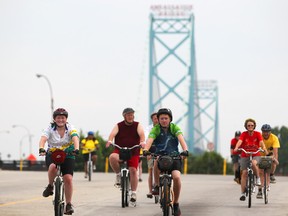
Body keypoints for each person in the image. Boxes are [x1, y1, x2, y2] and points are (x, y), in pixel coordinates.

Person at [143, 108, 189, 216]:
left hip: (174, 157)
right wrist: (146, 149)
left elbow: (181, 139)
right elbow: (150, 140)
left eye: (166, 118)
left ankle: (176, 203)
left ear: (170, 119)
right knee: (155, 163)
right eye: (161, 118)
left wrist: (185, 150)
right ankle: (157, 186)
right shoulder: (156, 129)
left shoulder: (174, 128)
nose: (164, 120)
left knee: (177, 177)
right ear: (158, 120)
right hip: (161, 155)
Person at [39, 108, 80, 215]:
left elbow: (75, 137)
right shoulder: (50, 128)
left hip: (68, 154)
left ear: (66, 119)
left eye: (63, 117)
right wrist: (41, 148)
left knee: (68, 178)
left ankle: (69, 205)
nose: (60, 120)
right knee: (53, 167)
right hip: (53, 153)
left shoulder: (70, 127)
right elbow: (43, 138)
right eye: (58, 117)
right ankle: (50, 186)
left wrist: (76, 148)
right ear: (54, 119)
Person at [105, 107, 145, 204]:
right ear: (124, 116)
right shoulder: (119, 125)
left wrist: (143, 141)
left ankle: (134, 193)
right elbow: (112, 134)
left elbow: (141, 133)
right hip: (120, 150)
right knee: (112, 157)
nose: (130, 117)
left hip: (133, 151)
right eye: (128, 115)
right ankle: (118, 175)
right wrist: (110, 140)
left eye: (132, 115)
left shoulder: (137, 125)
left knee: (133, 170)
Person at [234, 118, 268, 201]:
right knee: (244, 173)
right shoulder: (244, 134)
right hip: (245, 155)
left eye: (252, 125)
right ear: (246, 126)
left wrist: (264, 148)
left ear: (254, 126)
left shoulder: (257, 134)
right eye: (248, 125)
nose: (250, 127)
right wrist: (236, 147)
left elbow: (261, 143)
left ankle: (257, 178)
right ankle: (242, 194)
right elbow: (240, 141)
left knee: (253, 163)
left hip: (256, 154)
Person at [256, 124, 280, 199]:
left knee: (273, 160)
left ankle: (272, 174)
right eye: (264, 131)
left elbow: (275, 151)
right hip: (260, 155)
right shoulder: (259, 137)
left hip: (270, 155)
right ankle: (260, 190)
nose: (266, 133)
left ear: (270, 132)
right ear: (262, 132)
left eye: (267, 132)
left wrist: (275, 160)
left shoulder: (274, 138)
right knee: (261, 172)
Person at [144, 112, 158, 198]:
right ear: (152, 120)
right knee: (151, 170)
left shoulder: (164, 127)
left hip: (162, 150)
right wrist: (147, 152)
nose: (156, 120)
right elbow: (146, 139)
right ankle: (150, 190)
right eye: (154, 118)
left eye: (157, 118)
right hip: (151, 149)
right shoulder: (148, 129)